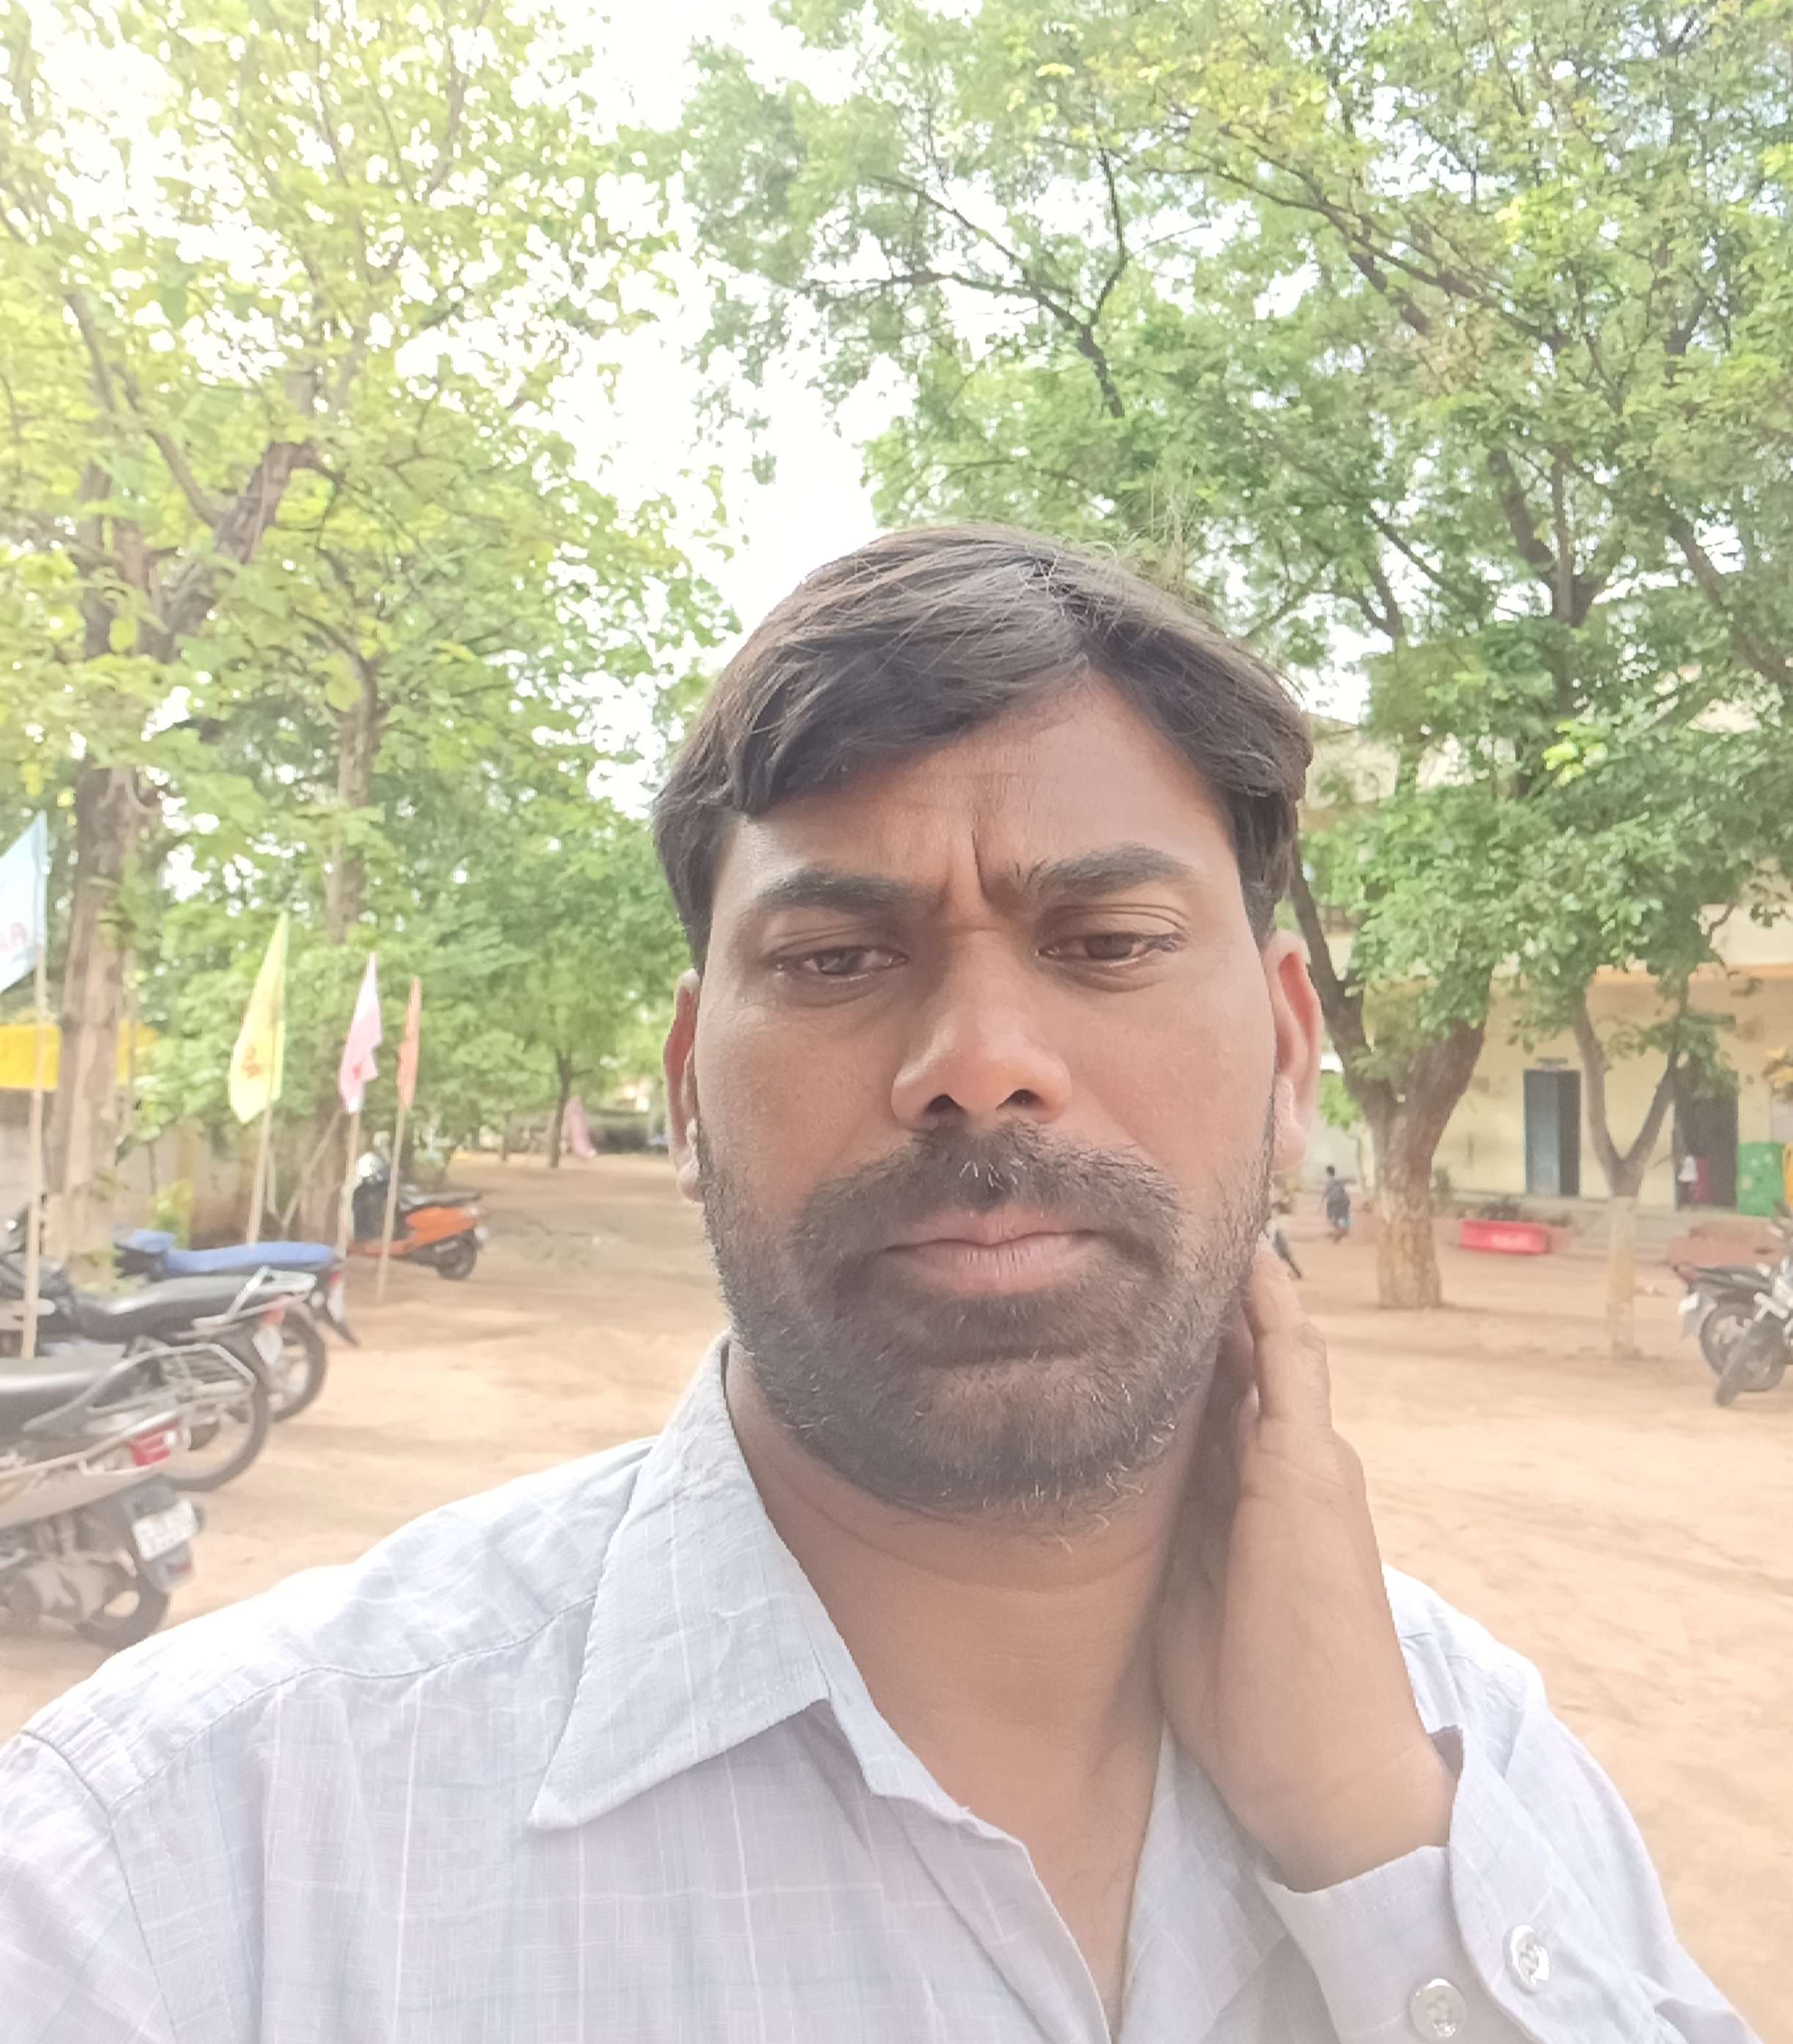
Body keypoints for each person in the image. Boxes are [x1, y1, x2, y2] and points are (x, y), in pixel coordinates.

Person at [0, 527, 1752, 2043]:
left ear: (1290, 1055)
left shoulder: (1467, 1756)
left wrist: (1377, 1852)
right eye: (837, 958)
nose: (979, 1062)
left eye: (1109, 945)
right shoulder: (178, 1877)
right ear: (690, 1086)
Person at [1323, 1163, 1352, 1238]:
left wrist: (1324, 1200)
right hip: (1344, 1200)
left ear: (1328, 1172)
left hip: (1335, 1201)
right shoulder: (1339, 1180)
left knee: (1333, 1217)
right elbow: (1343, 1190)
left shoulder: (1329, 1182)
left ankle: (1338, 1232)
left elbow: (1326, 1193)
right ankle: (1342, 1231)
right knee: (1344, 1216)